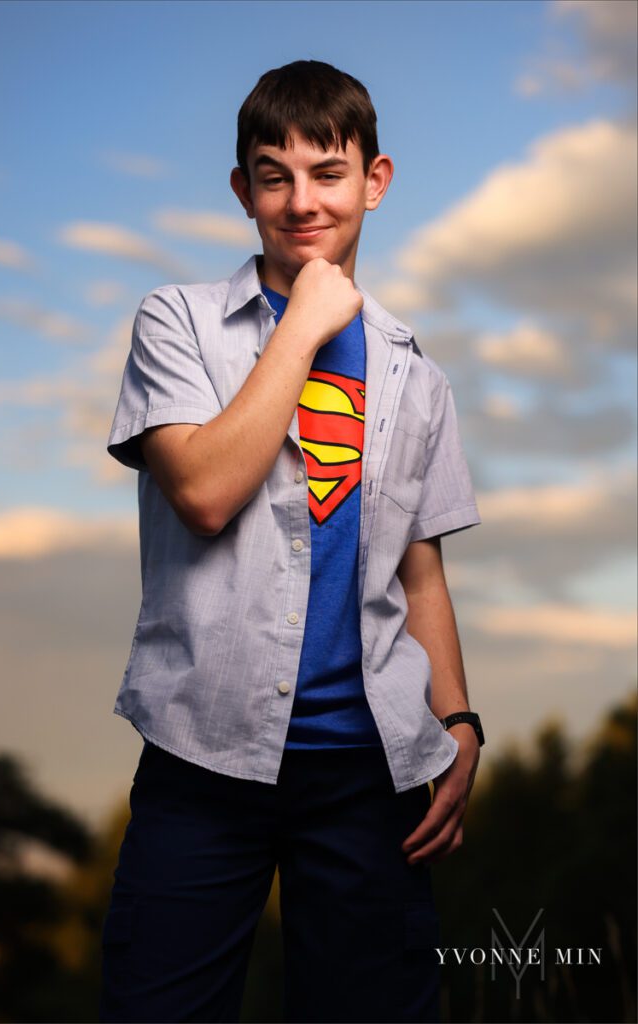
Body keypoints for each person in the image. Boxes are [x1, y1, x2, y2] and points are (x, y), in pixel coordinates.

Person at [99, 60, 483, 1024]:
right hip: (204, 757)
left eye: (328, 172)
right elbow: (206, 493)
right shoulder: (177, 322)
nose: (302, 200)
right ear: (243, 191)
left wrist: (459, 725)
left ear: (374, 181)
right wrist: (305, 323)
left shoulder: (414, 373)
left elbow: (419, 573)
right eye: (274, 176)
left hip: (370, 770)